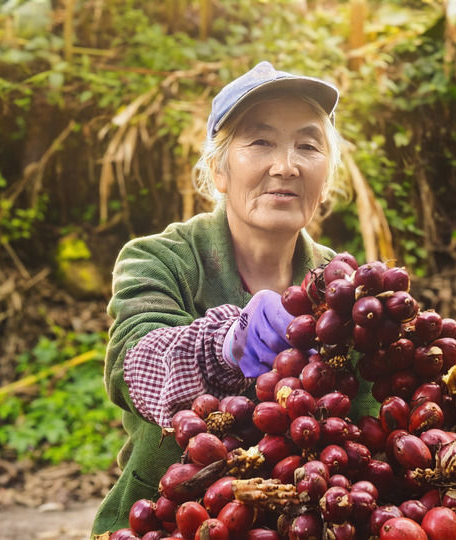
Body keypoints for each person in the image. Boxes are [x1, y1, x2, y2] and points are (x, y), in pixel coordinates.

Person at [92, 61, 353, 535]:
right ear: (218, 169)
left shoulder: (344, 288)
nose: (286, 166)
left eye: (308, 145)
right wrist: (227, 343)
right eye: (261, 142)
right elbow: (134, 363)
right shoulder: (160, 259)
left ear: (327, 174)